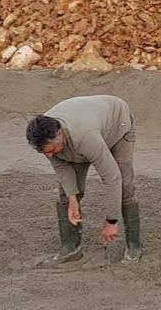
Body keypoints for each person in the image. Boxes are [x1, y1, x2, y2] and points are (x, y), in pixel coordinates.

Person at [26, 95, 141, 265]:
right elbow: (62, 170)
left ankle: (134, 248)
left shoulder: (85, 137)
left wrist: (112, 221)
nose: (49, 156)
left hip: (118, 124)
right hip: (85, 131)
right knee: (65, 193)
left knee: (124, 186)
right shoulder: (46, 140)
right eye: (44, 152)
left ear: (59, 135)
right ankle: (71, 249)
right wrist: (73, 199)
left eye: (50, 150)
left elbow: (112, 177)